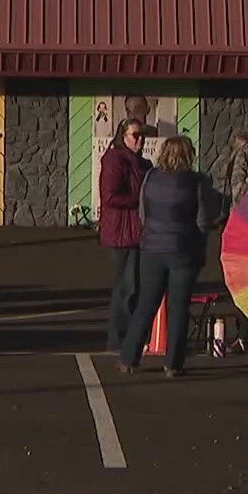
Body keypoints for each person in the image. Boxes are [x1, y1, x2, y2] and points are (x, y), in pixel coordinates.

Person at [118, 137, 221, 377]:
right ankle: (173, 364)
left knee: (146, 304)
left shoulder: (151, 177)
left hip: (152, 249)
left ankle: (129, 358)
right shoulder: (197, 181)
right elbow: (203, 219)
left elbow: (143, 213)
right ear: (189, 155)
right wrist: (199, 243)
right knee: (178, 308)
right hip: (184, 250)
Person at [99, 118, 151, 353]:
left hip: (138, 232)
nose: (140, 140)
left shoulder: (142, 163)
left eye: (142, 136)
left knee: (136, 288)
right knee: (126, 289)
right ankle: (118, 340)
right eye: (135, 135)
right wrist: (141, 198)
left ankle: (132, 336)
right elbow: (109, 196)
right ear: (123, 136)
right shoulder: (115, 160)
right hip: (123, 233)